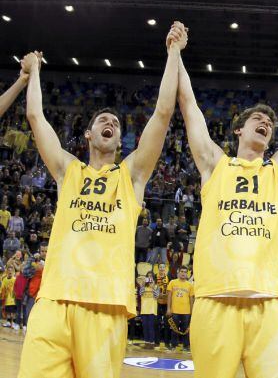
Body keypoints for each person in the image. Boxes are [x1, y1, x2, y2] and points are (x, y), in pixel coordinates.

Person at [19, 23, 186, 378]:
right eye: (102, 120)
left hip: (106, 305)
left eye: (115, 123)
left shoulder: (132, 176)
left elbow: (162, 114)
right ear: (89, 134)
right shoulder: (68, 170)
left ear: (120, 141)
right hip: (54, 300)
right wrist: (33, 72)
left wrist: (173, 54)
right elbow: (36, 116)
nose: (110, 122)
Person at [178, 32, 278, 378]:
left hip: (269, 302)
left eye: (270, 123)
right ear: (239, 130)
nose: (266, 123)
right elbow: (188, 106)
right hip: (214, 298)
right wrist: (175, 52)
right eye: (258, 119)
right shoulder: (215, 164)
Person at [166, 265, 193, 351]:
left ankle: (186, 345)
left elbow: (191, 299)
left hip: (186, 311)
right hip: (174, 310)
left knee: (186, 328)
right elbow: (169, 296)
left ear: (187, 274)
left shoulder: (190, 285)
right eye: (181, 271)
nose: (183, 274)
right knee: (174, 329)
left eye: (185, 272)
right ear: (178, 272)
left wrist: (192, 311)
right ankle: (173, 345)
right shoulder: (172, 282)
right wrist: (168, 309)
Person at [138, 271, 159, 349]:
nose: (149, 279)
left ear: (153, 278)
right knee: (145, 326)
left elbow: (157, 296)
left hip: (152, 310)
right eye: (148, 277)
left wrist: (153, 287)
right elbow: (140, 294)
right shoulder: (143, 287)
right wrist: (142, 285)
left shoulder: (156, 286)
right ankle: (146, 342)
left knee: (151, 326)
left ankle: (152, 342)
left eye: (151, 277)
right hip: (144, 310)